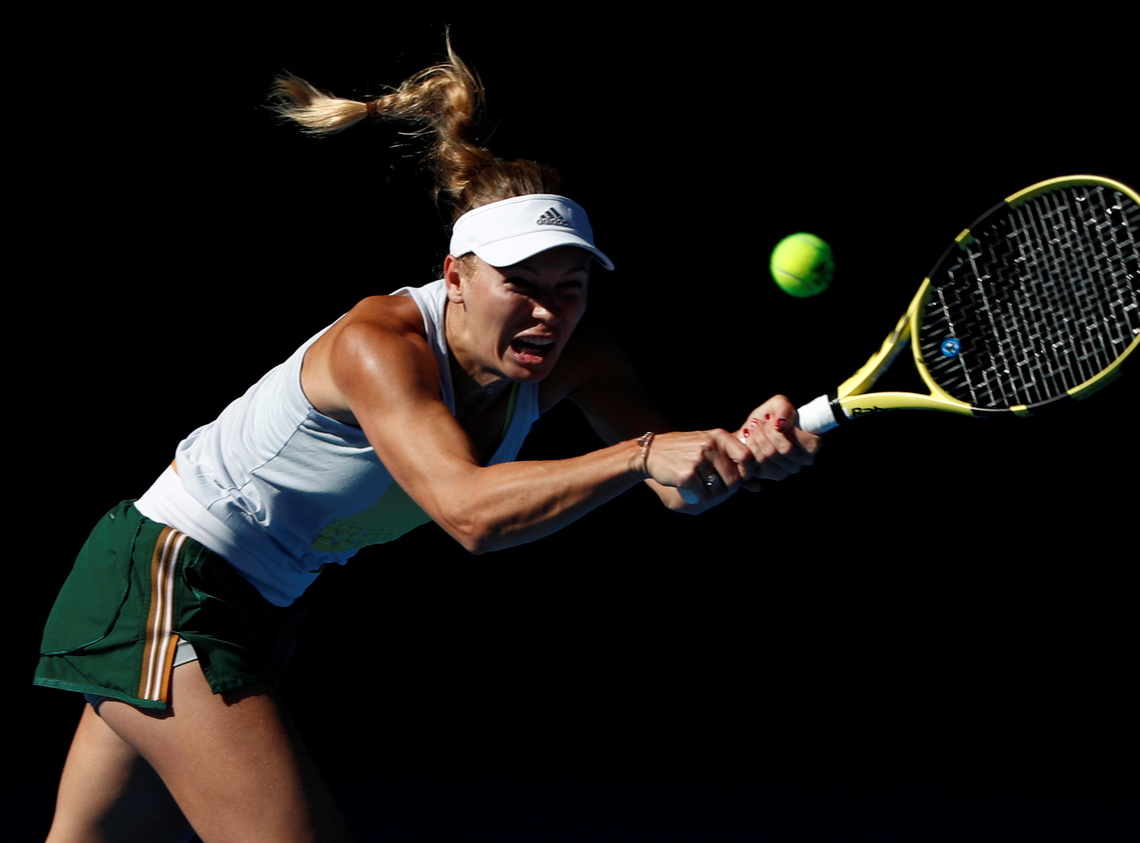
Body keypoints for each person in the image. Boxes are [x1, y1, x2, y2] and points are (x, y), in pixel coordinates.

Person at [36, 41, 820, 842]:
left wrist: (736, 451)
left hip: (260, 604)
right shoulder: (379, 344)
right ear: (455, 278)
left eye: (570, 288)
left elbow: (676, 487)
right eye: (520, 284)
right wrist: (645, 451)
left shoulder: (583, 357)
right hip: (171, 579)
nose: (548, 313)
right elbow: (471, 514)